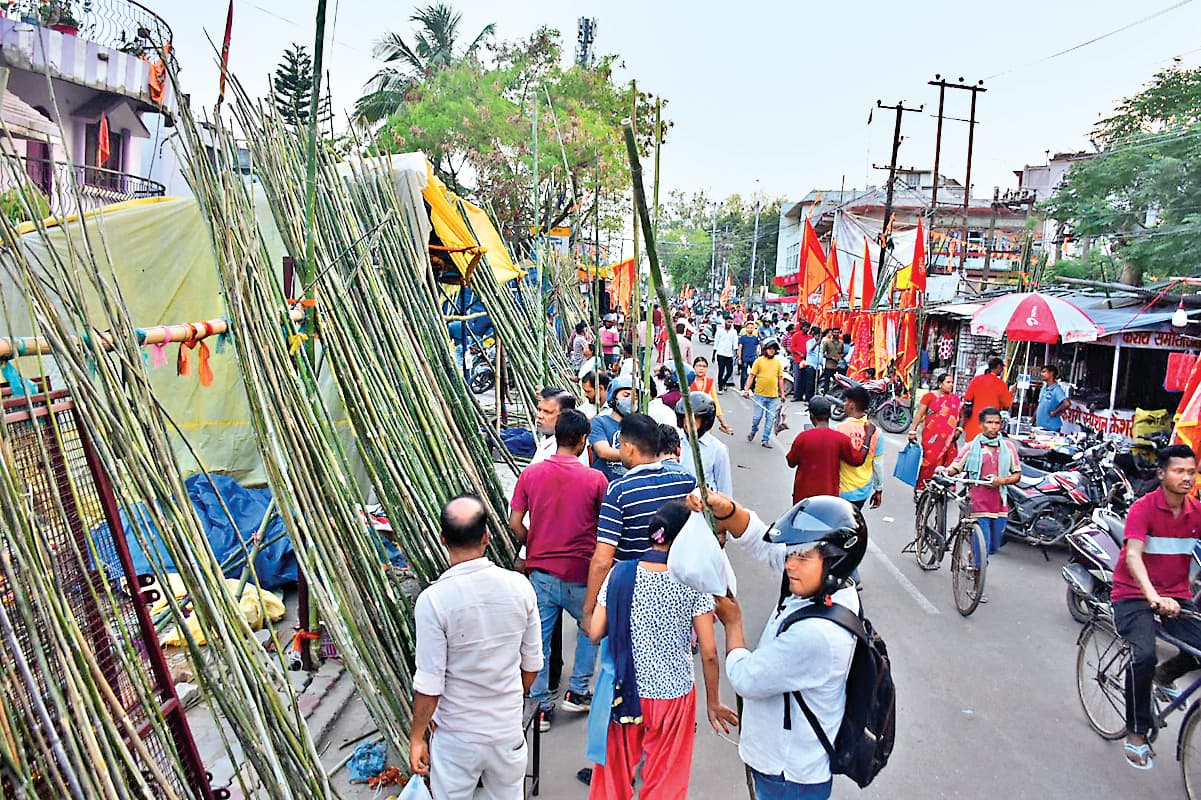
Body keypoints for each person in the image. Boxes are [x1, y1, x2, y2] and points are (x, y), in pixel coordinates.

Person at [691, 490, 865, 800]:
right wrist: (728, 510)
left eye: (803, 556)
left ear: (836, 560)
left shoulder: (817, 634)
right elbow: (765, 544)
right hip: (790, 765)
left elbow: (746, 678)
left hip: (789, 776)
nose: (790, 564)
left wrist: (733, 624)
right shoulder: (832, 589)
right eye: (792, 554)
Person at [586, 500, 737, 800]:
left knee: (613, 777)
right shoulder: (693, 583)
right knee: (666, 781)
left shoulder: (619, 574)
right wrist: (713, 703)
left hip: (625, 691)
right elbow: (709, 653)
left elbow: (595, 632)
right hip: (674, 696)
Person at [411, 495, 542, 800]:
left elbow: (430, 686)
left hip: (457, 737)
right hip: (506, 731)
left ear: (443, 539)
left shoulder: (433, 601)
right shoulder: (520, 587)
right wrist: (509, 698)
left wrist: (417, 737)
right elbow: (532, 665)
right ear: (486, 537)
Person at [510, 411, 607, 731]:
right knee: (591, 629)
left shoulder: (531, 474)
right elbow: (605, 529)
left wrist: (533, 543)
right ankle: (578, 691)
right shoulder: (596, 480)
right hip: (581, 572)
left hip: (542, 573)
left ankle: (540, 708)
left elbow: (515, 523)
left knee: (539, 640)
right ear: (583, 441)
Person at [1109, 444, 1201, 770]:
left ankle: (1165, 675)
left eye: (1191, 472)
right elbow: (1133, 555)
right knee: (1144, 654)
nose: (1186, 477)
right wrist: (1152, 596)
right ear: (1162, 473)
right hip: (1133, 593)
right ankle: (1136, 732)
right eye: (1179, 471)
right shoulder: (1143, 508)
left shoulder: (1196, 512)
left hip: (1176, 596)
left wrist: (1173, 596)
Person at [583, 413, 697, 626]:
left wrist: (589, 611)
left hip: (629, 593)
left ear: (628, 448)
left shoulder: (619, 491)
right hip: (676, 590)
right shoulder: (686, 482)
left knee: (617, 646)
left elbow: (602, 560)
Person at [941, 407, 1023, 599]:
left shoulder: (1008, 448)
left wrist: (1001, 481)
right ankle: (977, 586)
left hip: (999, 504)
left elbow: (1017, 475)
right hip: (977, 504)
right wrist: (946, 472)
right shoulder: (972, 446)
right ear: (981, 425)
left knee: (993, 546)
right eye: (989, 422)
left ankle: (974, 557)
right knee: (982, 546)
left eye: (996, 423)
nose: (993, 427)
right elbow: (956, 466)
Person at [786, 396, 873, 504]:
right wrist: (868, 436)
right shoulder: (841, 439)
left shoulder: (802, 437)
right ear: (830, 415)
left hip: (803, 497)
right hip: (828, 498)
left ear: (812, 416)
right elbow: (858, 460)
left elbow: (791, 462)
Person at [908, 371, 962, 490]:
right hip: (932, 437)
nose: (951, 385)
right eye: (948, 382)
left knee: (949, 463)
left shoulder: (955, 399)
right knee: (930, 462)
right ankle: (923, 488)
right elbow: (919, 414)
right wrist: (912, 431)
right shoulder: (929, 397)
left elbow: (960, 416)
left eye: (952, 382)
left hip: (950, 438)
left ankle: (944, 489)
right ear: (940, 384)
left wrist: (959, 429)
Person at [834, 386, 884, 509]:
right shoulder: (877, 433)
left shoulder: (839, 429)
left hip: (840, 489)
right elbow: (878, 465)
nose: (844, 404)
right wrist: (878, 489)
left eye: (846, 401)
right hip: (862, 490)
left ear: (852, 405)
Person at [675, 391, 733, 494]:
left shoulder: (718, 449)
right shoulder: (675, 442)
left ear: (705, 420)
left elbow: (724, 488)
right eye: (685, 417)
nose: (688, 423)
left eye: (695, 418)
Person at [744, 338, 786, 448]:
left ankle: (765, 439)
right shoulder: (759, 361)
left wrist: (783, 393)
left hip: (773, 396)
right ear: (765, 349)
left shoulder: (778, 363)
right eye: (770, 348)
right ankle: (754, 430)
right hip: (759, 395)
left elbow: (780, 378)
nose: (771, 351)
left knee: (770, 419)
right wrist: (747, 389)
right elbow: (752, 376)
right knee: (757, 417)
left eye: (774, 349)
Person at [590, 377, 634, 483]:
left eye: (635, 397)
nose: (631, 400)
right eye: (626, 395)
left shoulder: (642, 424)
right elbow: (603, 451)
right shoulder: (599, 422)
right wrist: (636, 456)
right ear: (614, 397)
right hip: (606, 483)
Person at [961, 357, 1014, 443]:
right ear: (998, 367)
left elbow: (967, 397)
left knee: (972, 445)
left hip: (975, 420)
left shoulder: (976, 379)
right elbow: (1007, 403)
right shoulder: (1000, 383)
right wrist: (1011, 392)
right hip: (991, 421)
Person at [531, 388, 587, 466]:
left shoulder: (566, 447)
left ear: (565, 416)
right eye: (539, 410)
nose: (539, 416)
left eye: (547, 412)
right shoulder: (547, 439)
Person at [689, 356, 733, 434]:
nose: (701, 368)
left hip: (706, 421)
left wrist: (723, 422)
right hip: (690, 420)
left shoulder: (710, 383)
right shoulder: (688, 382)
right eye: (699, 366)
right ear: (693, 367)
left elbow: (715, 403)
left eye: (704, 366)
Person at [1036, 364, 1069, 432]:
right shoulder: (1044, 388)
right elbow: (1039, 405)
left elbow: (1066, 403)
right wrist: (1032, 420)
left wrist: (1055, 412)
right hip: (1040, 426)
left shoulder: (1057, 389)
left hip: (1051, 427)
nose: (1042, 374)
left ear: (1051, 373)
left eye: (1044, 372)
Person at [789, 323, 812, 402]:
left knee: (804, 378)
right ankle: (796, 395)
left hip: (807, 360)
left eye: (808, 327)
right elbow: (792, 347)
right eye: (805, 327)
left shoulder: (810, 337)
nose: (806, 329)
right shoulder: (796, 335)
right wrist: (799, 353)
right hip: (797, 359)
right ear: (802, 327)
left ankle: (802, 395)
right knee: (798, 378)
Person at [714, 317, 738, 391]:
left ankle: (724, 382)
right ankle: (720, 387)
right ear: (725, 322)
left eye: (731, 322)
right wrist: (713, 354)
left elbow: (735, 342)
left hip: (729, 354)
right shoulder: (720, 331)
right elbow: (716, 342)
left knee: (729, 371)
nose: (729, 324)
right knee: (721, 371)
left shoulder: (734, 332)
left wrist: (736, 352)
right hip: (720, 353)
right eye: (728, 322)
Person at [738, 323, 761, 390]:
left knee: (753, 374)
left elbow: (757, 348)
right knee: (744, 374)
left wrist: (757, 357)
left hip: (753, 358)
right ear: (746, 328)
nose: (750, 329)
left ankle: (752, 387)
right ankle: (742, 388)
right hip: (745, 358)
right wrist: (739, 358)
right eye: (748, 327)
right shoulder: (743, 338)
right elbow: (740, 348)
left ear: (753, 329)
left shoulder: (755, 338)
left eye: (751, 328)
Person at [820, 330, 843, 394]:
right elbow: (823, 353)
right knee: (826, 382)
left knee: (837, 382)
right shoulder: (827, 342)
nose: (836, 334)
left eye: (837, 333)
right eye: (835, 332)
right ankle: (825, 394)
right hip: (828, 365)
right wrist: (831, 357)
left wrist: (839, 357)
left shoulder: (841, 343)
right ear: (832, 333)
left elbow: (842, 353)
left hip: (837, 366)